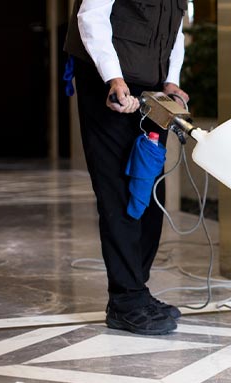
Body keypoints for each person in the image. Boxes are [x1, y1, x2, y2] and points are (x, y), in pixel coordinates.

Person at [64, 0, 190, 335]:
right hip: (108, 83)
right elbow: (91, 16)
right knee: (120, 191)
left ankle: (137, 289)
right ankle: (125, 299)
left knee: (148, 190)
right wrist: (113, 77)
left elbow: (174, 28)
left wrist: (171, 82)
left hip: (150, 88)